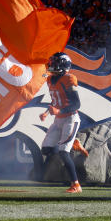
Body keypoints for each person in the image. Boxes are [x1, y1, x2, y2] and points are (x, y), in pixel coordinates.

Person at [38, 51, 86, 193]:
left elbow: (76, 104)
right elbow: (55, 100)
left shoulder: (69, 78)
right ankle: (74, 143)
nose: (52, 65)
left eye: (55, 63)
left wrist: (59, 112)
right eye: (52, 62)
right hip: (58, 120)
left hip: (70, 118)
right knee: (46, 149)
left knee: (63, 152)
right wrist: (47, 113)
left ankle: (76, 185)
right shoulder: (50, 79)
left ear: (63, 65)